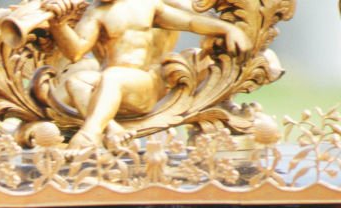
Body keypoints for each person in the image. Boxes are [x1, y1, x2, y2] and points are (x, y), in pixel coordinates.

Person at [42, 0, 251, 147]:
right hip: (110, 86)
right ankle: (112, 130)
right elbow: (76, 51)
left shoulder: (147, 5)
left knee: (113, 75)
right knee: (77, 81)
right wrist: (58, 25)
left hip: (143, 87)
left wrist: (227, 29)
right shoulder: (96, 13)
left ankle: (89, 135)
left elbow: (189, 22)